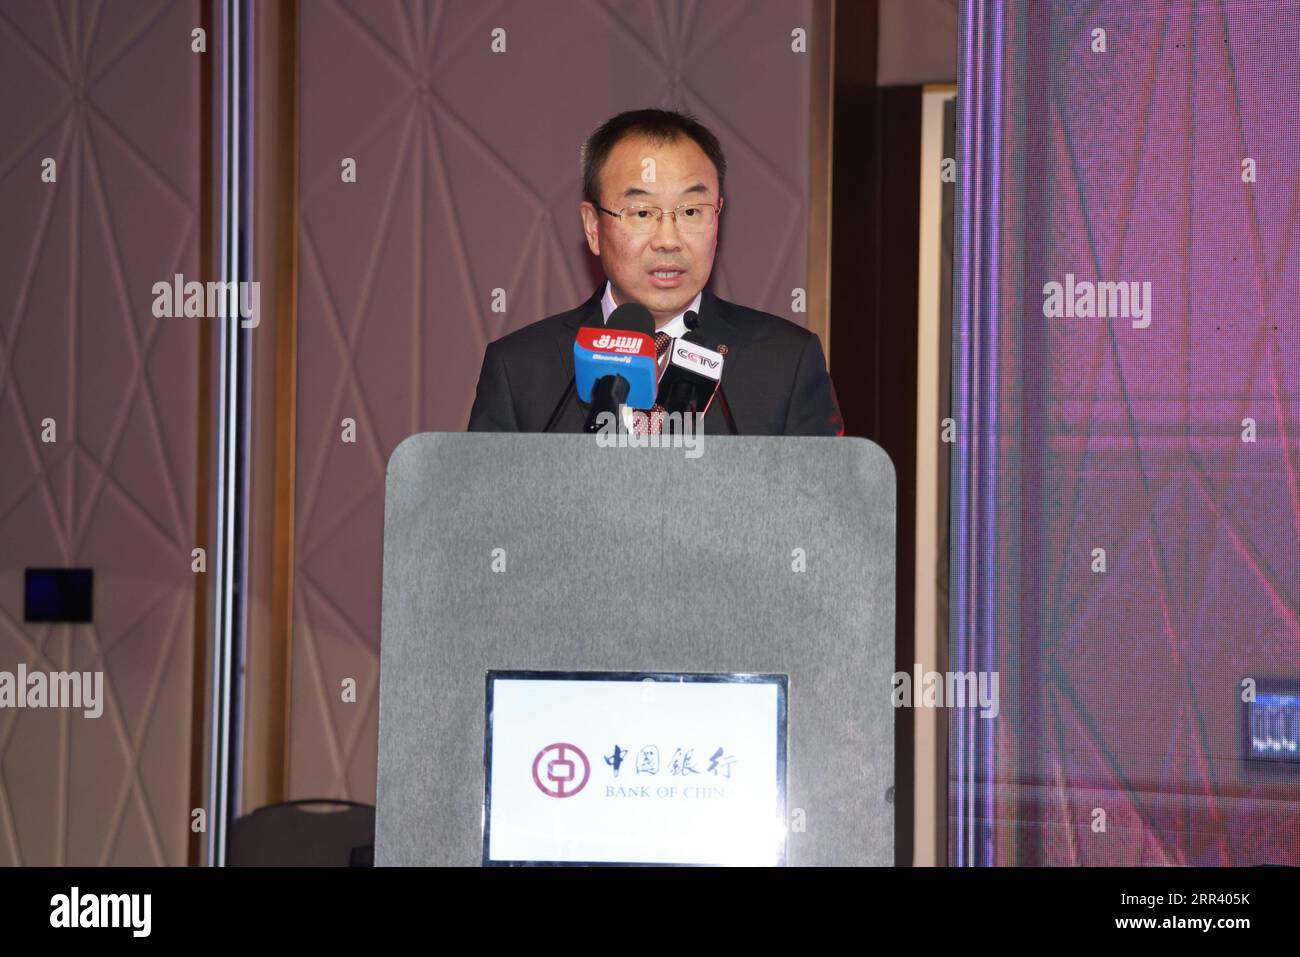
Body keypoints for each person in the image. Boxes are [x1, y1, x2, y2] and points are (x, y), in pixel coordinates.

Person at [467, 108, 843, 436]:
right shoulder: (519, 368)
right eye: (643, 213)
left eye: (691, 211)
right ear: (593, 227)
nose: (668, 240)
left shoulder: (785, 363)